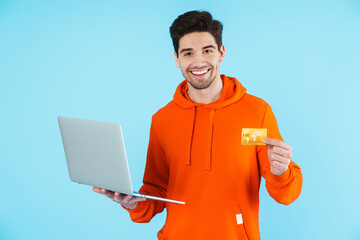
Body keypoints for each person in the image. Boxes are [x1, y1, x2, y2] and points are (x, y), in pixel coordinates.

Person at [93, 10, 303, 240]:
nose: (199, 62)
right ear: (176, 59)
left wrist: (281, 173)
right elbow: (155, 193)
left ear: (221, 53)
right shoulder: (163, 119)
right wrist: (133, 203)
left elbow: (287, 195)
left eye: (207, 51)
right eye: (188, 53)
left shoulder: (256, 112)